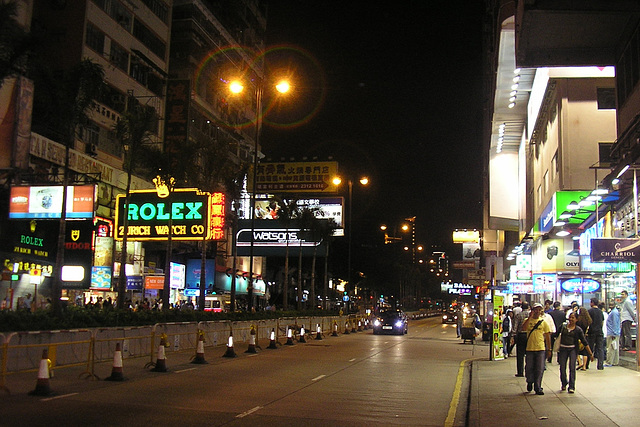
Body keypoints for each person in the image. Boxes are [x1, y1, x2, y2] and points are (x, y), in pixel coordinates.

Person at [557, 311, 594, 394]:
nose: (571, 319)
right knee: (562, 367)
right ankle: (564, 382)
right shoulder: (563, 326)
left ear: (577, 319)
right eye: (570, 317)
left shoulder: (578, 330)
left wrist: (590, 354)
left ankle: (571, 386)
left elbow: (584, 342)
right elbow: (555, 334)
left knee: (572, 367)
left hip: (573, 349)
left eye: (573, 318)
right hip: (563, 349)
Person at [522, 302, 551, 395]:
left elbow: (547, 336)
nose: (537, 311)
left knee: (539, 368)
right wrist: (530, 317)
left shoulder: (543, 322)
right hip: (530, 348)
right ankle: (529, 381)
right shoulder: (527, 320)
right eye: (536, 310)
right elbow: (523, 328)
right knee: (529, 367)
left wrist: (549, 349)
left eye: (539, 310)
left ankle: (538, 386)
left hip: (540, 348)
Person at [512, 301, 530, 377]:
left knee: (520, 355)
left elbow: (515, 327)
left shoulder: (518, 315)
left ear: (521, 307)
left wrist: (513, 335)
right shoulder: (530, 315)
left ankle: (520, 372)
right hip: (529, 335)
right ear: (528, 307)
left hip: (521, 335)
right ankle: (528, 371)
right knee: (529, 354)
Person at [586, 298, 604, 370]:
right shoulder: (600, 312)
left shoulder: (589, 311)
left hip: (591, 332)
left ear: (592, 303)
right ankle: (600, 365)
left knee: (589, 348)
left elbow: (588, 322)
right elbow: (602, 322)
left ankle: (586, 364)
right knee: (600, 349)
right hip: (599, 331)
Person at [605, 300, 621, 366]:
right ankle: (615, 362)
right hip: (614, 332)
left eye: (611, 305)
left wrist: (614, 333)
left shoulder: (614, 313)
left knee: (610, 348)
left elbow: (615, 323)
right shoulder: (614, 312)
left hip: (612, 333)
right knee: (615, 348)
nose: (610, 306)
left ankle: (609, 362)